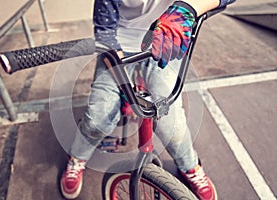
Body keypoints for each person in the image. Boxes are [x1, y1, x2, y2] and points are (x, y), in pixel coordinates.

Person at [59, 0, 235, 199]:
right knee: (98, 119)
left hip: (164, 45)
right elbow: (105, 32)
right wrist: (122, 82)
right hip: (118, 47)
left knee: (172, 126)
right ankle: (77, 158)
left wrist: (188, 8)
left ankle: (190, 166)